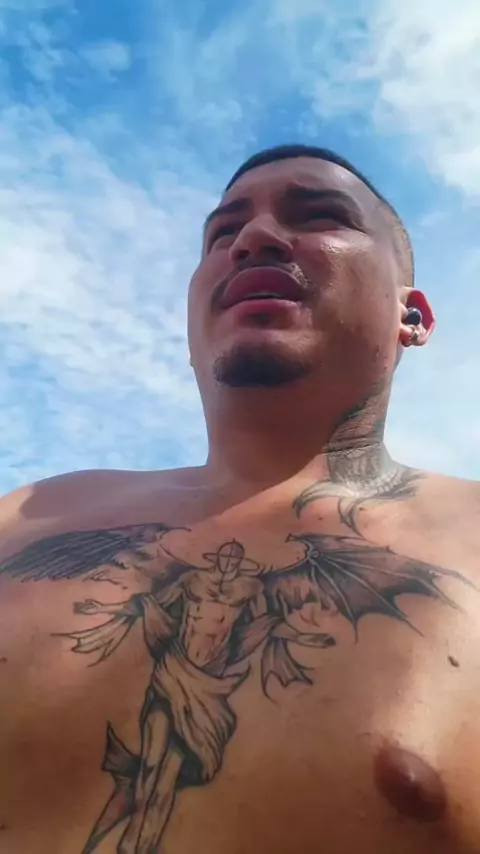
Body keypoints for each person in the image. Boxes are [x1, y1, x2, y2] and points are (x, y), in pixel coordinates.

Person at [0, 143, 479, 854]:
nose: (253, 237)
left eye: (319, 215)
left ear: (413, 315)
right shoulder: (26, 516)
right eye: (223, 232)